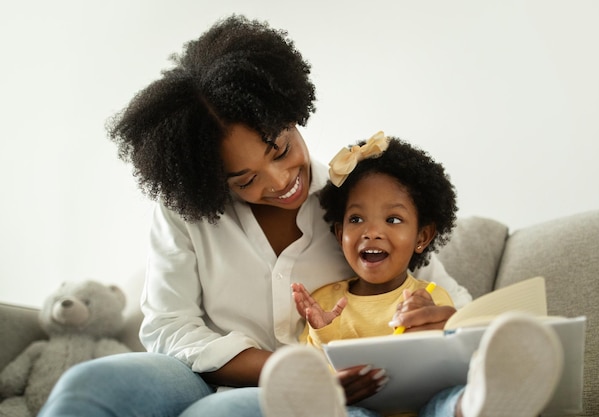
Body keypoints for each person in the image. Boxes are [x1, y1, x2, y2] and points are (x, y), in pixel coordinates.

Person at [38, 15, 472, 417]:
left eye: (281, 150)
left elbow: (456, 304)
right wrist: (291, 367)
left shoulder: (357, 206)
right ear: (210, 179)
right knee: (86, 386)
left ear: (291, 113)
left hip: (324, 398)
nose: (280, 181)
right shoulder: (186, 212)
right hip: (198, 378)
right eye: (244, 179)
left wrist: (446, 321)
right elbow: (169, 326)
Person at [258, 135, 564, 417]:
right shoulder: (323, 303)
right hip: (356, 409)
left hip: (424, 409)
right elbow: (315, 374)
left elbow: (444, 365)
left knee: (448, 399)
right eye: (356, 218)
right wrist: (322, 334)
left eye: (393, 219)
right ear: (340, 234)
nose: (372, 232)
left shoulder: (429, 298)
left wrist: (436, 333)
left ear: (422, 236)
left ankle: (480, 401)